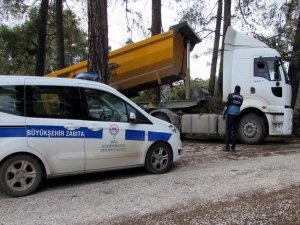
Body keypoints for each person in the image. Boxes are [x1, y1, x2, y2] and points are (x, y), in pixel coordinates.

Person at [222, 85, 243, 152]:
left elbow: (226, 106)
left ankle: (227, 147)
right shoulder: (241, 98)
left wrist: (223, 114)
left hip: (230, 115)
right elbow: (239, 106)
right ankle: (233, 148)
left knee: (228, 131)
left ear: (234, 89)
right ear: (239, 90)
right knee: (235, 132)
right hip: (237, 116)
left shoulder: (231, 95)